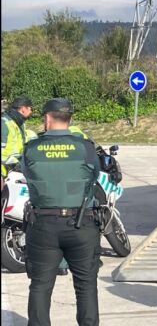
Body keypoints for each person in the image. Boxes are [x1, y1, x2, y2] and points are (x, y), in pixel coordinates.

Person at [21, 98, 101, 326]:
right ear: (70, 119)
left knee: (40, 286)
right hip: (81, 223)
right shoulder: (85, 147)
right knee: (86, 286)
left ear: (46, 118)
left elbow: (27, 173)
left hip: (43, 225)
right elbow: (94, 175)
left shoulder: (32, 148)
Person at [1, 95, 33, 179]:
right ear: (23, 109)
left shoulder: (19, 123)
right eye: (30, 108)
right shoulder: (4, 123)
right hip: (5, 170)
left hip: (16, 168)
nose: (31, 111)